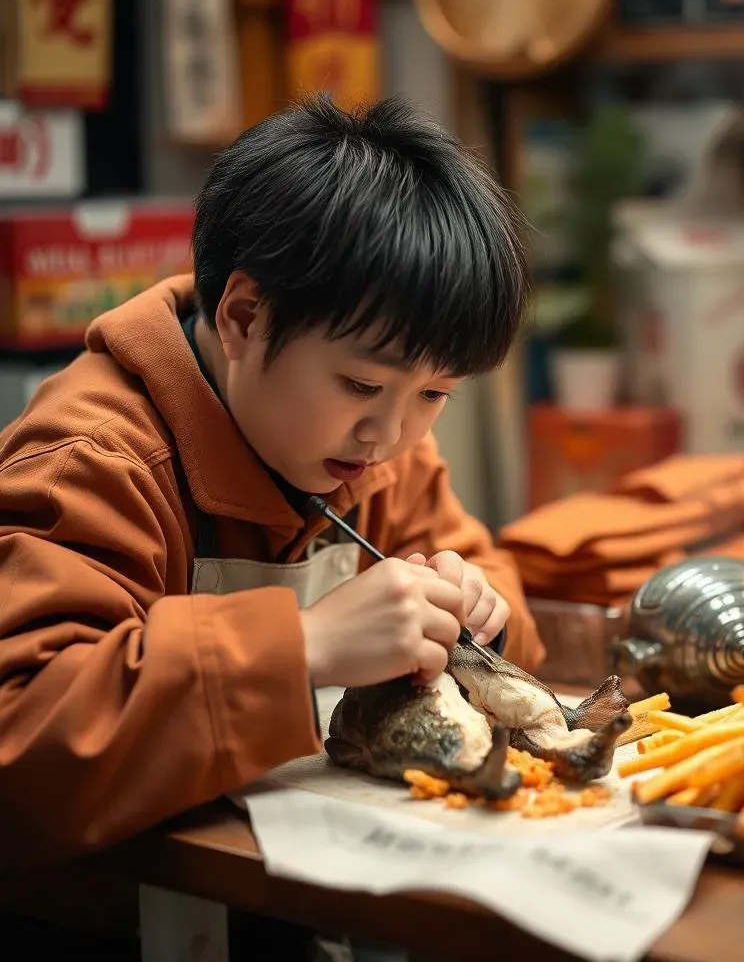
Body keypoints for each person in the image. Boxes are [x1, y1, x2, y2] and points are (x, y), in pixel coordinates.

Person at [0, 92, 545, 872]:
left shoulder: (381, 458)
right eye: (361, 385)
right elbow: (27, 743)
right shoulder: (91, 463)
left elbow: (495, 591)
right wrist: (305, 645)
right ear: (245, 319)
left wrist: (478, 620)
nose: (390, 433)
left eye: (435, 396)